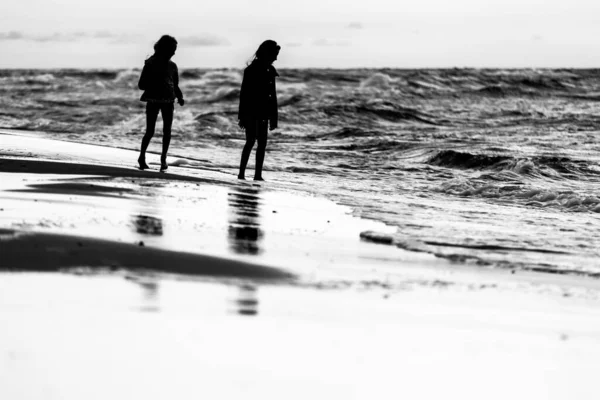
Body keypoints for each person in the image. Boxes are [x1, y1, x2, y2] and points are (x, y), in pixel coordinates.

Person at [137, 35, 184, 171]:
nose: (174, 52)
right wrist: (155, 83)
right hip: (152, 100)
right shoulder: (150, 63)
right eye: (172, 49)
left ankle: (163, 159)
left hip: (169, 101)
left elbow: (175, 85)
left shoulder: (173, 66)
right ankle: (142, 156)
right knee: (150, 131)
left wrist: (180, 97)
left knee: (167, 131)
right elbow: (141, 85)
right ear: (165, 49)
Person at [237, 40, 281, 181]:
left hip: (264, 112)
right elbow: (244, 94)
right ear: (267, 53)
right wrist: (242, 116)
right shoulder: (251, 70)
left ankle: (258, 175)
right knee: (250, 141)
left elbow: (272, 95)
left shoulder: (270, 70)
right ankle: (241, 173)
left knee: (262, 143)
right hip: (251, 111)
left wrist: (274, 117)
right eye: (275, 54)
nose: (276, 58)